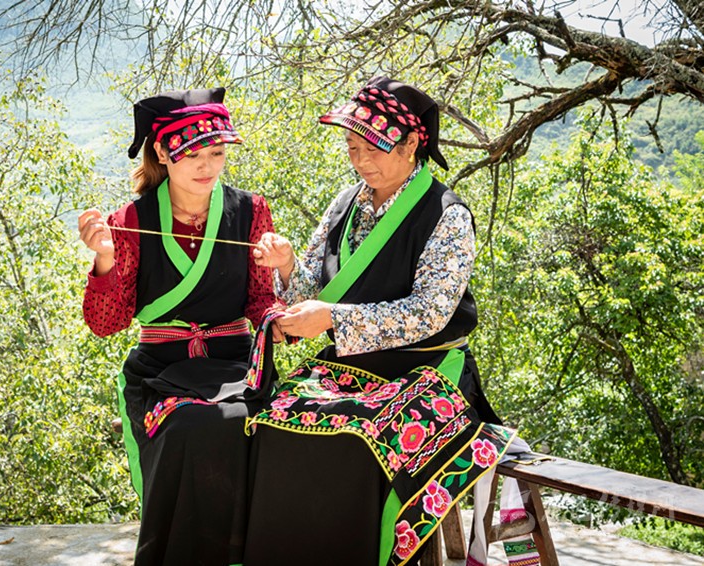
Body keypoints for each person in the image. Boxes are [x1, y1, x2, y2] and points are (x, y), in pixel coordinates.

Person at [246, 76, 517, 565]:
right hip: (346, 369)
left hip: (424, 371)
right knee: (275, 422)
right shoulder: (345, 205)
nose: (361, 160)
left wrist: (332, 319)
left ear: (412, 144)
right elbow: (311, 290)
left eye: (374, 148)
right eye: (353, 148)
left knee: (356, 442)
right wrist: (286, 266)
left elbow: (429, 312)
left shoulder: (446, 214)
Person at [79, 87, 279, 566]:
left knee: (259, 426)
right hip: (161, 372)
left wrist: (281, 297)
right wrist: (104, 259)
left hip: (236, 365)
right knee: (190, 424)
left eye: (217, 153)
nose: (207, 166)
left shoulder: (251, 211)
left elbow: (260, 302)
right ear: (164, 153)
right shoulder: (129, 220)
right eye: (192, 154)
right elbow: (107, 324)